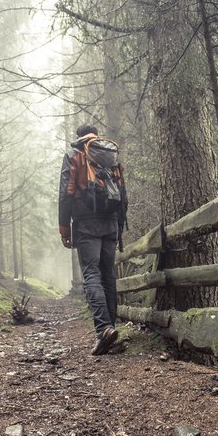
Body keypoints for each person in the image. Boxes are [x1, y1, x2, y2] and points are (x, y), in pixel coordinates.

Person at [59, 124, 127, 355]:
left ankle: (103, 329)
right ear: (95, 135)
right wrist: (119, 227)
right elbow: (122, 192)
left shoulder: (74, 155)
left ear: (79, 136)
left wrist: (64, 227)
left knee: (91, 274)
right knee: (108, 275)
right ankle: (112, 332)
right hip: (110, 222)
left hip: (86, 222)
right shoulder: (110, 156)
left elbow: (65, 193)